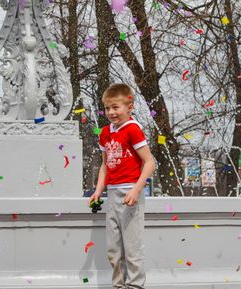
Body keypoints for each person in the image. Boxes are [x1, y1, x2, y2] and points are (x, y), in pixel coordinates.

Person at [89, 84, 156, 289]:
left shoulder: (133, 129)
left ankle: (135, 286)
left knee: (132, 249)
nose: (111, 112)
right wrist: (98, 190)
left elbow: (150, 162)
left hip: (130, 194)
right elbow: (104, 164)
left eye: (116, 107)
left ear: (129, 106)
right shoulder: (106, 133)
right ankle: (119, 285)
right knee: (113, 249)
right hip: (111, 194)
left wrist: (137, 189)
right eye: (108, 108)